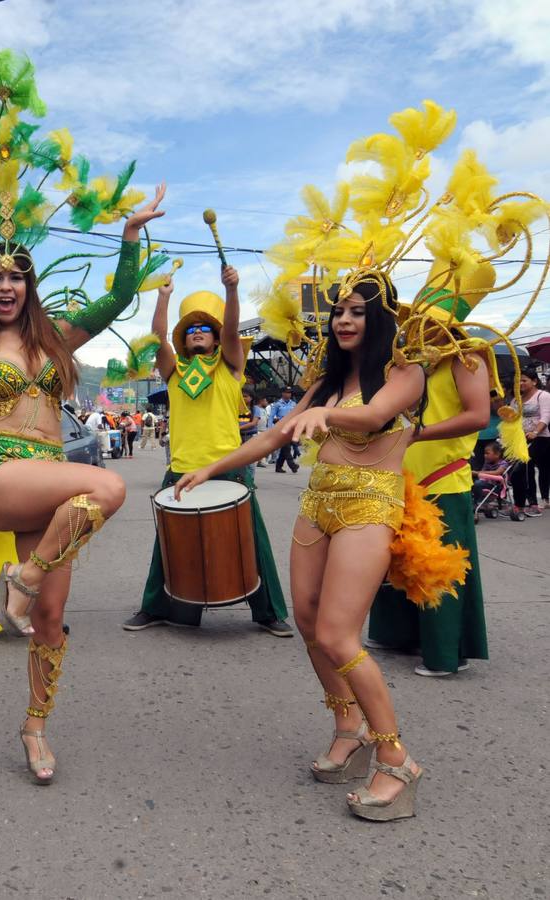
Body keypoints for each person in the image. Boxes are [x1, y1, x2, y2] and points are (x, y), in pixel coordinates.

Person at [0, 187, 169, 784]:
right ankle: (21, 578)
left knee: (50, 618)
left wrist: (128, 238)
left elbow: (122, 296)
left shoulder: (58, 339)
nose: (5, 286)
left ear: (29, 286)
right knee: (108, 488)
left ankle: (34, 726)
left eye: (16, 277)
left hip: (50, 486)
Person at [174, 269, 445, 821]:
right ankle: (348, 725)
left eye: (357, 312)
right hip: (319, 502)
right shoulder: (324, 383)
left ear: (380, 320)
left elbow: (372, 416)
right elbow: (275, 435)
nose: (344, 320)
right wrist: (212, 468)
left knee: (338, 635)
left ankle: (396, 757)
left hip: (371, 504)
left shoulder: (403, 371)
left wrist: (325, 414)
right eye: (338, 312)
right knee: (306, 621)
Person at [122, 266, 291, 635]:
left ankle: (269, 613)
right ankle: (157, 607)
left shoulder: (230, 366)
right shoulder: (173, 372)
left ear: (216, 339)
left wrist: (232, 291)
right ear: (186, 340)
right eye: (192, 330)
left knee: (253, 541)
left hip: (229, 467)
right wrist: (163, 298)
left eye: (205, 329)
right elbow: (157, 338)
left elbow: (232, 330)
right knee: (168, 544)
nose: (199, 333)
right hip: (182, 467)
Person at [367, 264, 496, 677]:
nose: (424, 329)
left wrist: (420, 435)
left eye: (434, 322)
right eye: (419, 321)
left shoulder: (468, 356)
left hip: (444, 476)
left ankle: (444, 653)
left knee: (439, 565)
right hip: (403, 474)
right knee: (397, 558)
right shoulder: (413, 361)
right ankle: (397, 635)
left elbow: (479, 415)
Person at [511, 371, 550, 517]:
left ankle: (532, 503)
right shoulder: (516, 400)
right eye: (518, 381)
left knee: (524, 468)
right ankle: (519, 503)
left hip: (539, 438)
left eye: (524, 380)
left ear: (534, 381)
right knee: (517, 471)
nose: (520, 384)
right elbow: (511, 418)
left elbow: (546, 417)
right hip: (520, 439)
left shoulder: (543, 396)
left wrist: (535, 432)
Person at [269, 386, 300, 472]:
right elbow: (271, 416)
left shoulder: (293, 404)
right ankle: (293, 465)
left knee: (284, 448)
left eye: (289, 393)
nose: (288, 394)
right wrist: (270, 428)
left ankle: (278, 467)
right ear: (282, 393)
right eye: (286, 392)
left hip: (291, 427)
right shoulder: (277, 404)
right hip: (281, 428)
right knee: (286, 447)